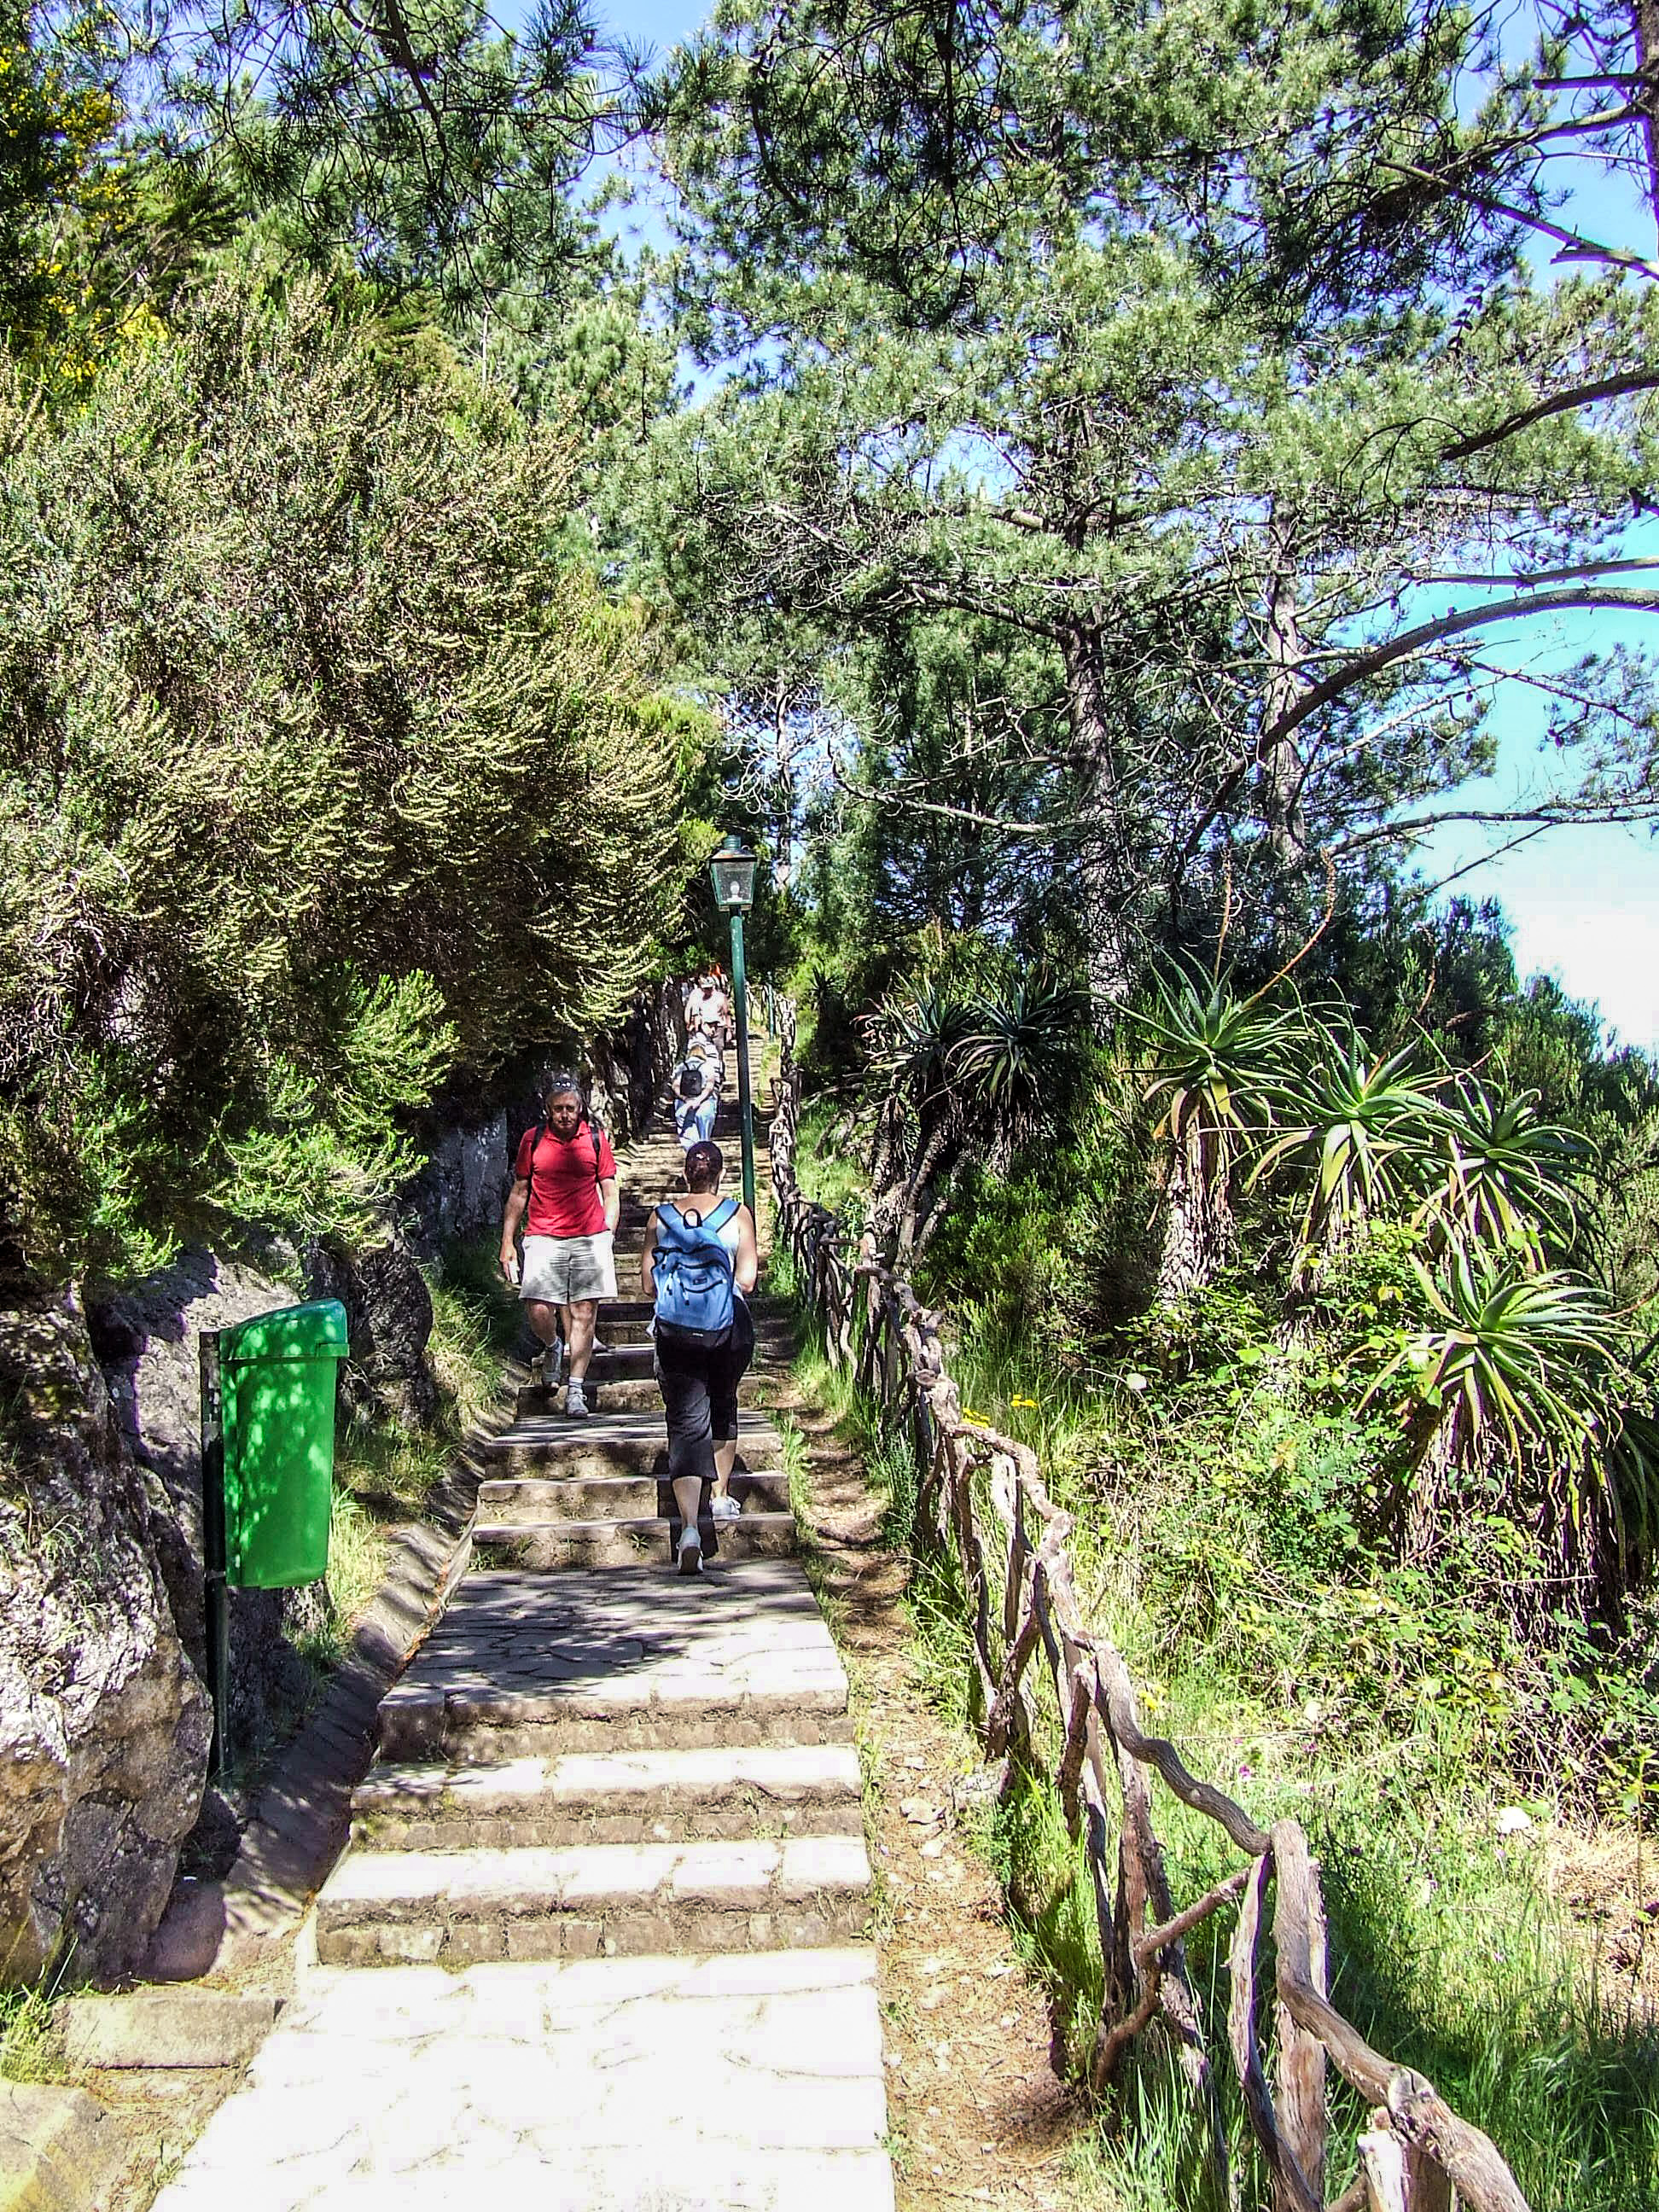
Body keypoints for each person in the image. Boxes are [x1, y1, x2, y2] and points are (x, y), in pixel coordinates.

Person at [639, 1139, 759, 1574]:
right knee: (723, 1403)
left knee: (686, 1421)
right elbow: (746, 1280)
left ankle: (689, 1528)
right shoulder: (738, 1215)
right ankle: (721, 1495)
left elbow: (650, 1286)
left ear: (685, 1173)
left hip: (675, 1331)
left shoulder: (661, 1217)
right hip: (728, 1327)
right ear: (720, 1174)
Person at [499, 1074, 620, 1418]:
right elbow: (520, 1191)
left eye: (570, 1108)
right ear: (547, 1110)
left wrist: (606, 1233)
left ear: (580, 1108)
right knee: (537, 1308)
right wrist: (508, 1241)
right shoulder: (532, 1140)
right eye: (557, 1109)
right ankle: (554, 1346)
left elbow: (610, 1190)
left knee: (584, 1314)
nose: (564, 1115)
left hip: (588, 1236)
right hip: (543, 1236)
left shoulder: (595, 1139)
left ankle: (576, 1390)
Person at [672, 1052, 720, 1150]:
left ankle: (692, 1153)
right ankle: (705, 1149)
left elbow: (675, 1086)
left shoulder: (681, 1066)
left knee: (687, 1131)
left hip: (684, 1103)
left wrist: (685, 1099)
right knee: (704, 1130)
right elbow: (709, 1087)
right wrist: (698, 1100)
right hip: (704, 1102)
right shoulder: (708, 1066)